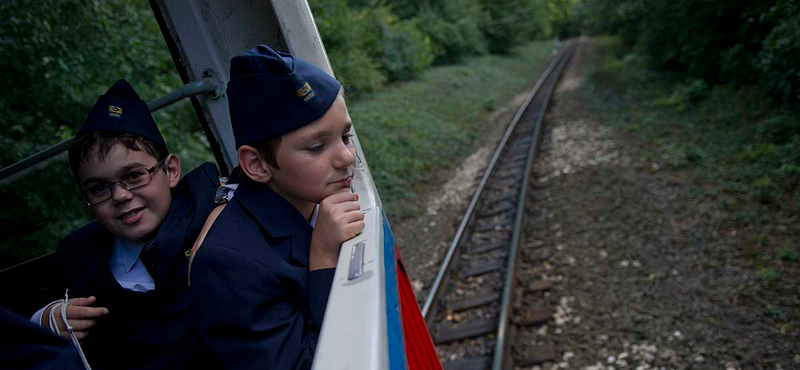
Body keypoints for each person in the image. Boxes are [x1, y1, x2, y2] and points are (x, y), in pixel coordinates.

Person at [189, 45, 365, 370]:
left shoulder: (309, 196)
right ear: (256, 165)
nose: (347, 157)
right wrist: (324, 259)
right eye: (316, 147)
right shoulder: (228, 266)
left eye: (345, 136)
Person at [29, 79, 221, 370]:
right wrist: (45, 321)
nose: (120, 196)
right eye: (98, 189)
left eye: (134, 176)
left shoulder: (209, 206)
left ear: (170, 171)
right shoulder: (77, 259)